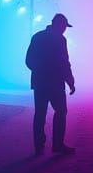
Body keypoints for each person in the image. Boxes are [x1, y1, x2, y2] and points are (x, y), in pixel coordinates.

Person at [25, 12, 76, 156]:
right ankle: (58, 145)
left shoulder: (37, 36)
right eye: (64, 26)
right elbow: (64, 63)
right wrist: (70, 82)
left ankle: (39, 147)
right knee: (61, 112)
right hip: (55, 83)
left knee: (40, 114)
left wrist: (39, 70)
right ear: (60, 26)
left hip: (39, 82)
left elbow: (28, 60)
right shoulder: (60, 39)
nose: (65, 29)